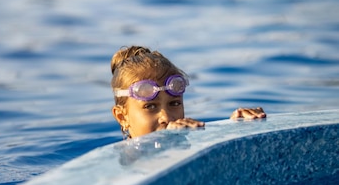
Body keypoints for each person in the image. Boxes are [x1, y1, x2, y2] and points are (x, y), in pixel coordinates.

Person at [110, 45, 266, 139]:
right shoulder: (120, 162)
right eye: (150, 106)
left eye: (174, 103)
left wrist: (239, 129)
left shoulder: (187, 142)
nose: (166, 117)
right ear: (122, 117)